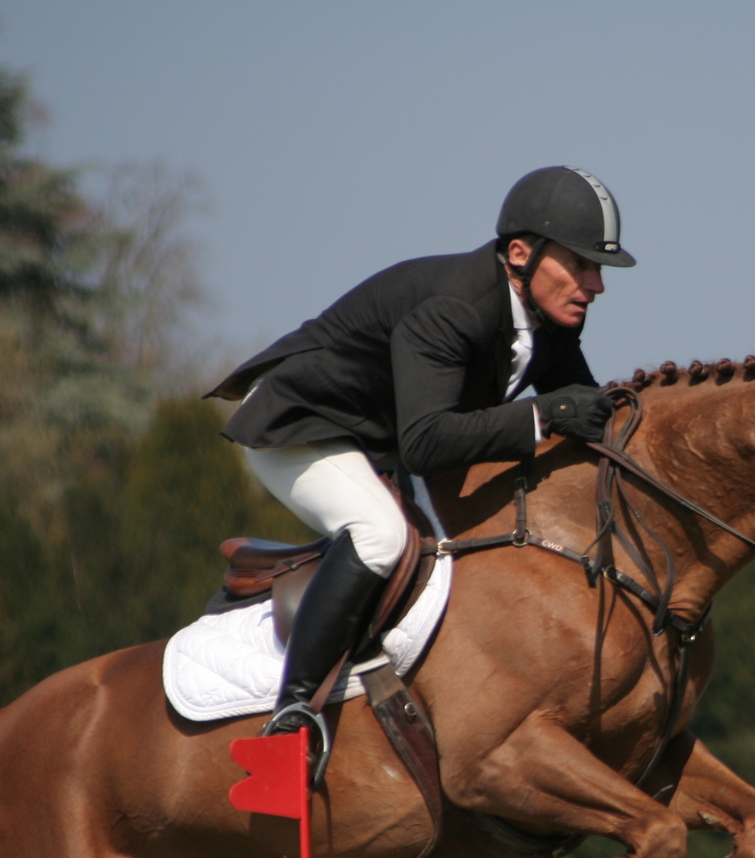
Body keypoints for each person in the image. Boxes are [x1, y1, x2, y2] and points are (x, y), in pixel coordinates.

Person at [205, 166, 636, 749]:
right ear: (519, 253)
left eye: (599, 269)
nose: (596, 284)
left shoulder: (550, 315)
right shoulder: (455, 307)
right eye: (581, 265)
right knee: (379, 535)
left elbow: (581, 411)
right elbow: (428, 443)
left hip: (380, 434)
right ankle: (293, 713)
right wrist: (547, 416)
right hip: (304, 426)